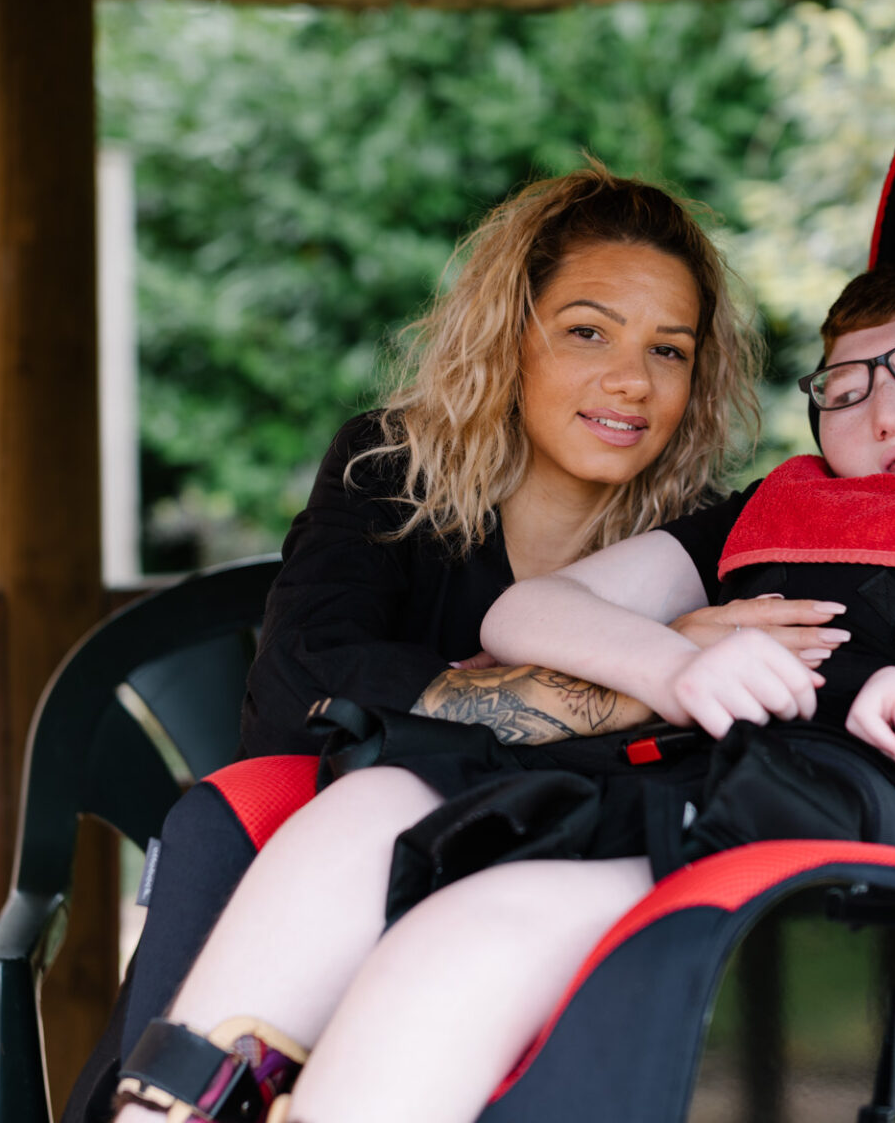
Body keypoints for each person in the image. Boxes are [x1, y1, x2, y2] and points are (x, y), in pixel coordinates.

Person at [113, 261, 895, 1123]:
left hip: (849, 807)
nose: (887, 409)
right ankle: (168, 1103)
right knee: (357, 815)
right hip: (668, 765)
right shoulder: (773, 509)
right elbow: (527, 612)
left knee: (457, 940)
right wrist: (674, 663)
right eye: (844, 389)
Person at [99, 164, 801, 1120]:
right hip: (348, 858)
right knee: (231, 832)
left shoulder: (709, 540)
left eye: (669, 351)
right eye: (587, 331)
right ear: (510, 337)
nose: (631, 381)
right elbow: (302, 692)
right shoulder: (393, 471)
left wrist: (459, 698)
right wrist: (650, 669)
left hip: (545, 889)